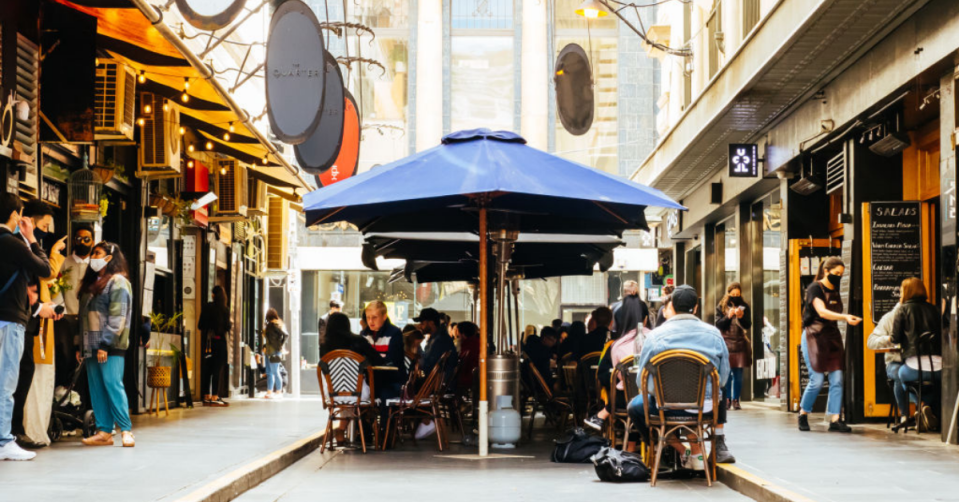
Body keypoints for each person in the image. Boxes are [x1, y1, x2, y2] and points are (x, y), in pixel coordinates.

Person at [626, 285, 734, 469]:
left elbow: (641, 382)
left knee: (635, 407)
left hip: (666, 407)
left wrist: (664, 392)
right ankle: (699, 451)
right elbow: (723, 379)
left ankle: (673, 449)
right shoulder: (714, 334)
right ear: (696, 307)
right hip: (704, 407)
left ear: (672, 306)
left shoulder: (655, 337)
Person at [0, 194, 55, 460]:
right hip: (9, 319)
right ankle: (3, 441)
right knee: (7, 382)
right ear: (14, 215)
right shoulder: (11, 243)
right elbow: (45, 269)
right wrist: (31, 238)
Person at [16, 200, 66, 447]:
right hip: (20, 319)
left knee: (22, 373)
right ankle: (14, 432)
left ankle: (15, 431)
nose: (45, 231)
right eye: (43, 225)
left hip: (29, 319)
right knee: (20, 374)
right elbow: (46, 272)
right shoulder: (18, 244)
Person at [77, 242, 134, 448]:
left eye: (97, 253)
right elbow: (83, 317)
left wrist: (105, 344)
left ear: (109, 257)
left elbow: (118, 316)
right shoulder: (93, 282)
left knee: (112, 384)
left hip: (109, 345)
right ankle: (104, 431)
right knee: (97, 388)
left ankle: (126, 429)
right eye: (93, 253)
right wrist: (81, 346)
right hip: (91, 344)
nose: (93, 256)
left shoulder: (118, 282)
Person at [798, 257, 861, 433]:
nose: (839, 277)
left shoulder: (836, 289)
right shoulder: (814, 288)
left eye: (841, 274)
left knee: (837, 379)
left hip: (832, 337)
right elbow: (822, 312)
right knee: (817, 381)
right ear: (826, 271)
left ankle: (835, 418)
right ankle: (803, 413)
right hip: (814, 336)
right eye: (836, 274)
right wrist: (846, 317)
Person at [319, 312, 382, 444]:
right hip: (358, 392)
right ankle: (352, 430)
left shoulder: (324, 345)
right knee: (359, 392)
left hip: (332, 393)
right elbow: (376, 359)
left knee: (345, 393)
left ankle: (342, 429)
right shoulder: (358, 340)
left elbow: (324, 369)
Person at [890, 277, 941, 429]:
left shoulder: (902, 309)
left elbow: (894, 338)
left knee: (900, 375)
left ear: (907, 291)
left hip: (913, 368)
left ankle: (921, 406)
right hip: (939, 368)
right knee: (934, 386)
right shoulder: (934, 309)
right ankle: (926, 409)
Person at [55, 224, 93, 387]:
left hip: (91, 320)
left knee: (89, 359)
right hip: (67, 318)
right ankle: (66, 397)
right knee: (66, 358)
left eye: (87, 239)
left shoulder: (96, 265)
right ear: (73, 240)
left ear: (92, 241)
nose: (82, 242)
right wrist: (60, 309)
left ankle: (86, 403)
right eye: (79, 239)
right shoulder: (64, 263)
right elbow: (55, 287)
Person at [715, 282, 752, 410]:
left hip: (740, 342)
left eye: (738, 294)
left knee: (738, 373)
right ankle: (727, 399)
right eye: (733, 294)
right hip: (726, 343)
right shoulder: (721, 306)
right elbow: (718, 324)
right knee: (727, 372)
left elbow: (748, 325)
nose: (735, 296)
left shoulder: (744, 306)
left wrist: (741, 317)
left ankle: (736, 399)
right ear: (728, 294)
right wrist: (728, 316)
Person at [867, 303, 905, 422]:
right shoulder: (890, 318)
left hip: (916, 362)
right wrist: (889, 339)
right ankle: (905, 415)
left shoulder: (919, 315)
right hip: (895, 362)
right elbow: (871, 342)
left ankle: (923, 410)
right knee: (900, 374)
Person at [363, 301, 405, 399]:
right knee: (358, 393)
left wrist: (371, 359)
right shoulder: (364, 334)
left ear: (384, 317)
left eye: (374, 317)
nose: (370, 321)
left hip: (392, 381)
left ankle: (385, 415)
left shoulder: (395, 333)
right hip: (370, 381)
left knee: (384, 395)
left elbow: (393, 360)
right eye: (368, 317)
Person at [198, 285, 231, 407]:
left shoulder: (207, 307)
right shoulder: (225, 309)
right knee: (217, 369)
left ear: (213, 295)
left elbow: (200, 325)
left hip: (208, 343)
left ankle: (206, 397)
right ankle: (215, 396)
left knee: (207, 369)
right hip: (220, 343)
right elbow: (227, 327)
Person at [418, 308, 458, 380]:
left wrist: (415, 348)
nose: (420, 326)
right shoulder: (439, 337)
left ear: (431, 323)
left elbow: (429, 366)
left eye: (422, 323)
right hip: (437, 383)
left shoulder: (440, 340)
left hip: (435, 384)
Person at [262, 308, 288, 399]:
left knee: (274, 371)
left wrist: (279, 346)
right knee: (270, 372)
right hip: (270, 351)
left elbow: (284, 335)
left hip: (273, 351)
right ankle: (271, 391)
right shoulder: (275, 324)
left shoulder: (274, 325)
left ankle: (278, 391)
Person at [524, 327, 559, 392]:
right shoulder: (544, 352)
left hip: (531, 382)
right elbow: (546, 375)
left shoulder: (532, 347)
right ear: (545, 338)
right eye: (552, 340)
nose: (553, 344)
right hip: (541, 385)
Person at [455, 321, 480, 390]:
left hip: (468, 381)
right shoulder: (477, 342)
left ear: (463, 334)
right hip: (474, 380)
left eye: (458, 333)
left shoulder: (467, 346)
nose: (458, 336)